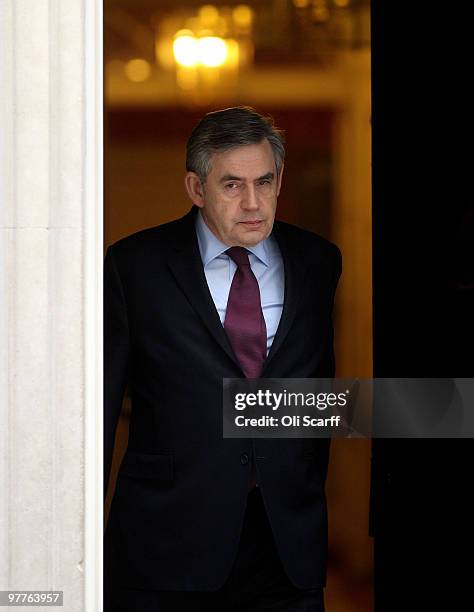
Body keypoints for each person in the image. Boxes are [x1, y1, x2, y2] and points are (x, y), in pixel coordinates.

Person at [104, 106, 342, 611]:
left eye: (265, 181)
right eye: (232, 185)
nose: (253, 203)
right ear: (196, 188)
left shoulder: (319, 261)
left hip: (285, 542)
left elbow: (318, 393)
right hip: (166, 541)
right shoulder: (135, 266)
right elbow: (100, 410)